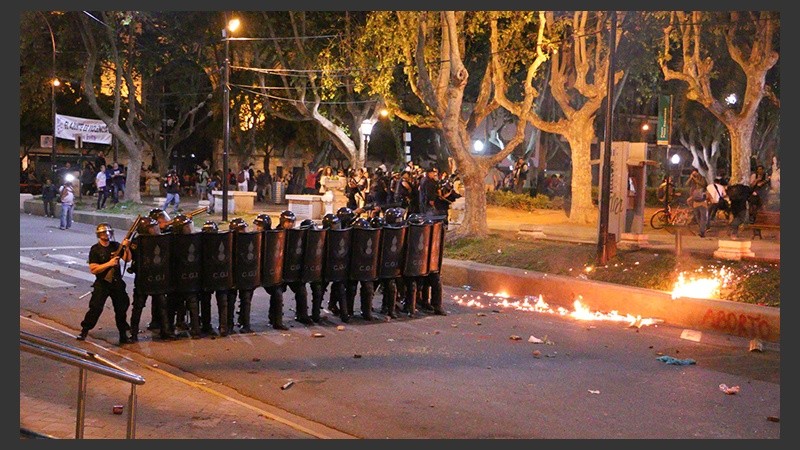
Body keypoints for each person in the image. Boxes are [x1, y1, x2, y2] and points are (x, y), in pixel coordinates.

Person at [76, 223, 133, 345]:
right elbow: (94, 269)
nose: (106, 235)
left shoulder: (116, 246)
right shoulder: (95, 250)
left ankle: (123, 334)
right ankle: (84, 330)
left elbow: (127, 259)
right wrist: (109, 263)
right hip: (102, 283)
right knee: (95, 308)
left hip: (117, 282)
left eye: (107, 232)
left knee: (121, 309)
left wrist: (125, 247)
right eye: (103, 233)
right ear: (99, 235)